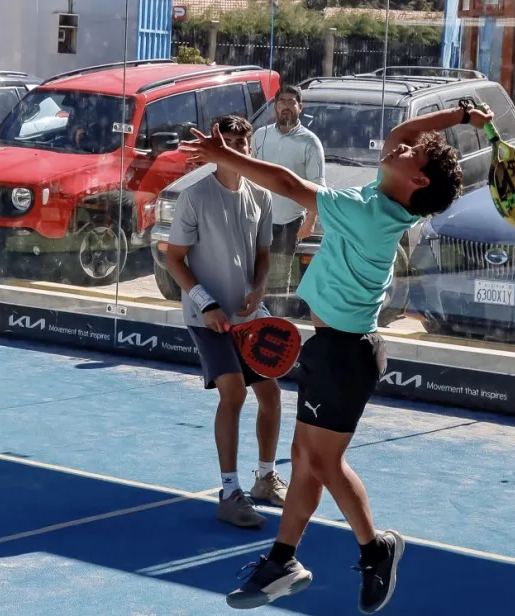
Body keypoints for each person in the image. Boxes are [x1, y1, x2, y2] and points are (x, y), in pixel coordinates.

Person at [180, 101, 493, 612]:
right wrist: (460, 116)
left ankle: (375, 548)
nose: (400, 146)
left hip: (346, 357)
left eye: (411, 153)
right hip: (332, 350)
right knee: (305, 460)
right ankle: (283, 561)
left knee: (323, 461)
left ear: (416, 180)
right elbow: (404, 131)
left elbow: (288, 185)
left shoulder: (369, 214)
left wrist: (225, 157)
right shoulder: (384, 194)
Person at [164, 114, 290, 529]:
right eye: (228, 142)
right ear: (216, 149)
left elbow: (263, 256)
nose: (236, 149)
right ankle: (229, 492)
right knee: (233, 394)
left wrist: (259, 288)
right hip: (207, 317)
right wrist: (208, 304)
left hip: (248, 317)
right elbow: (174, 260)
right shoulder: (194, 196)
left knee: (270, 395)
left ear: (251, 148)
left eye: (242, 143)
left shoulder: (261, 197)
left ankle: (265, 479)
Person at [251, 85, 326, 314]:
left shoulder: (310, 142)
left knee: (279, 278)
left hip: (288, 222)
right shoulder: (260, 135)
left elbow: (317, 186)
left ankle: (275, 322)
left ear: (300, 107)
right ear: (275, 106)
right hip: (257, 218)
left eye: (291, 102)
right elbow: (248, 172)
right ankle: (252, 319)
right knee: (251, 272)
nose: (286, 106)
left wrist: (310, 220)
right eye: (282, 101)